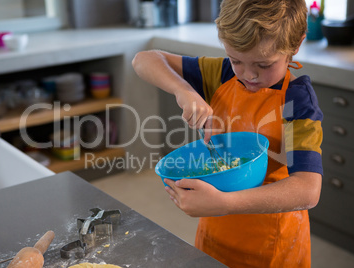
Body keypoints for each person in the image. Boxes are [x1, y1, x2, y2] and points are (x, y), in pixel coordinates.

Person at [132, 0, 323, 266]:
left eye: (264, 64)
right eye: (237, 61)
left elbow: (307, 190)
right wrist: (184, 90)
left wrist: (226, 204)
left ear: (296, 44)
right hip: (215, 232)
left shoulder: (297, 100)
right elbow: (145, 59)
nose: (248, 75)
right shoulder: (221, 74)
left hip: (272, 244)